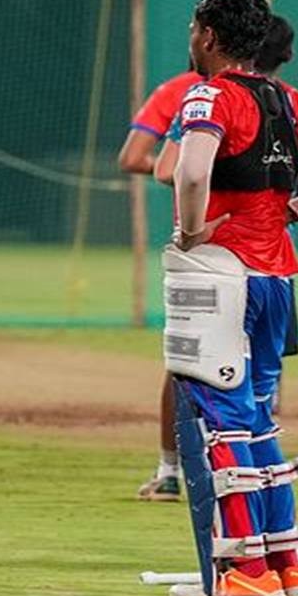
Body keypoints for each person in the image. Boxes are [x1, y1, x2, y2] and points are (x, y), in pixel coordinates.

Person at [165, 0, 298, 596]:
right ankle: (288, 567)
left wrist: (191, 230)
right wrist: (295, 213)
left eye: (194, 29)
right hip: (278, 279)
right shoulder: (292, 102)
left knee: (221, 424)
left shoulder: (208, 95)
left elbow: (191, 171)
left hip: (222, 277)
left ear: (208, 34)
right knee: (257, 420)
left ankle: (246, 575)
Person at [118, 65, 200, 503]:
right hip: (271, 253)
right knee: (257, 366)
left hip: (200, 249)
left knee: (184, 362)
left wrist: (195, 170)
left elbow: (136, 158)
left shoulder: (181, 92)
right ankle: (250, 469)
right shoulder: (281, 96)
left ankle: (171, 470)